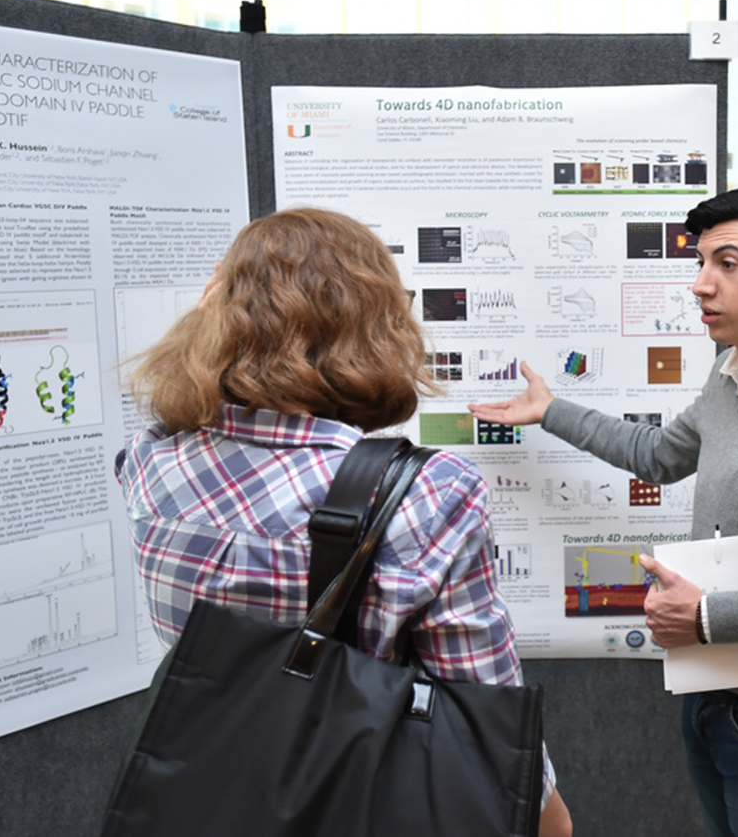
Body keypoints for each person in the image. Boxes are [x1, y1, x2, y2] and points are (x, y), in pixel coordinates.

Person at [115, 207, 572, 837]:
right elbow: (480, 704)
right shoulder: (427, 492)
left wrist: (206, 320)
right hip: (354, 799)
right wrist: (550, 816)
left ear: (220, 307)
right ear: (374, 324)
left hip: (205, 788)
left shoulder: (149, 463)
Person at [471, 185, 738, 837]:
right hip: (711, 691)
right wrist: (551, 410)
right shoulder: (734, 370)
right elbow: (659, 454)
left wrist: (707, 615)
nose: (700, 284)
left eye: (725, 263)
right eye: (700, 263)